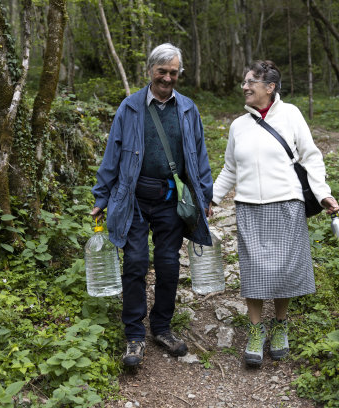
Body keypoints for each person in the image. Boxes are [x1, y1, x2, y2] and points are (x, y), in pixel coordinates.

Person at [90, 43, 214, 367]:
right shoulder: (130, 108)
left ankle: (161, 327)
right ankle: (134, 334)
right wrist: (101, 196)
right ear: (150, 71)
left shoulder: (188, 109)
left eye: (173, 72)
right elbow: (112, 154)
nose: (168, 78)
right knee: (134, 262)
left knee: (169, 265)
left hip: (171, 201)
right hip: (133, 199)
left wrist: (205, 196)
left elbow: (198, 157)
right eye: (162, 71)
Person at [210, 60, 339, 367]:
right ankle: (257, 330)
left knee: (284, 270)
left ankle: (280, 324)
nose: (244, 87)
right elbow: (230, 168)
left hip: (286, 203)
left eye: (250, 82)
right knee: (254, 271)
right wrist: (212, 199)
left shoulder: (291, 114)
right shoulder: (238, 125)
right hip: (248, 206)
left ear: (270, 88)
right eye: (244, 82)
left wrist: (322, 193)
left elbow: (311, 157)